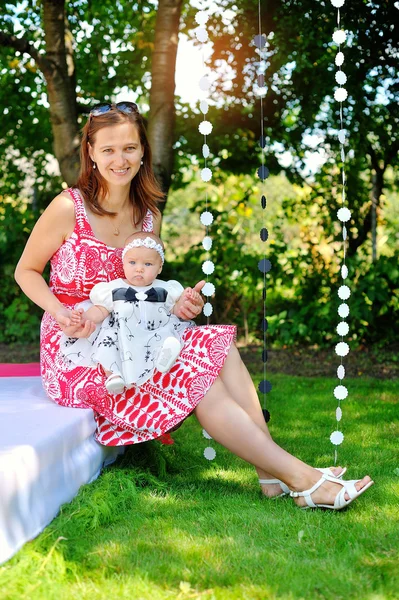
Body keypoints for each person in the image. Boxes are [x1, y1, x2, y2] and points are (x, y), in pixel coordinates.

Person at [15, 100, 373, 510]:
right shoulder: (68, 207)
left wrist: (179, 306)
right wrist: (59, 311)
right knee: (200, 380)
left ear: (143, 151)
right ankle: (303, 480)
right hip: (81, 345)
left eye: (130, 148)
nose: (120, 159)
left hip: (141, 330)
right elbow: (26, 271)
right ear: (91, 152)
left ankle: (272, 473)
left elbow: (147, 284)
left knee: (216, 347)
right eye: (109, 149)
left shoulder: (148, 215)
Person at [61, 231, 199, 394]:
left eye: (148, 264)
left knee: (167, 335)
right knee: (108, 339)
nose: (139, 269)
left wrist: (186, 301)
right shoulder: (112, 288)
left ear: (160, 267)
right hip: (123, 334)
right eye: (132, 262)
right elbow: (100, 310)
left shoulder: (166, 288)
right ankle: (113, 374)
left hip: (154, 331)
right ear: (124, 263)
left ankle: (164, 358)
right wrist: (83, 317)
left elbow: (176, 311)